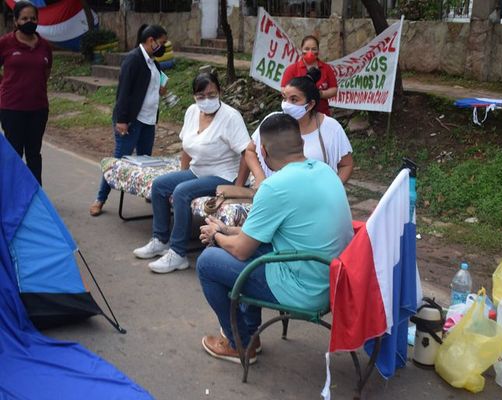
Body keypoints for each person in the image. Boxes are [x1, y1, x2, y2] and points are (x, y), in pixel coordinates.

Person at [196, 113, 353, 364]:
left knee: (208, 262)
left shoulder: (274, 187)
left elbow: (241, 251)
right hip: (330, 280)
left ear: (264, 153)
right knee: (245, 249)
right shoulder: (325, 171)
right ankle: (251, 334)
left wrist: (215, 236)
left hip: (305, 290)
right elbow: (260, 236)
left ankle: (239, 344)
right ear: (300, 143)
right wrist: (226, 231)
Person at [133, 72, 250, 274]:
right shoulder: (192, 112)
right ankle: (160, 240)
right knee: (161, 185)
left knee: (182, 192)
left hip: (223, 175)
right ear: (194, 96)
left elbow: (246, 152)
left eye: (212, 94)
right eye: (201, 96)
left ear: (220, 92)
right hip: (198, 170)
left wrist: (237, 187)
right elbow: (186, 147)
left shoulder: (231, 117)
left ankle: (178, 254)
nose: (207, 100)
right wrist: (182, 173)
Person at [89, 24, 168, 216]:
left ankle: (150, 194)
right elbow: (123, 93)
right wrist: (122, 120)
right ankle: (100, 198)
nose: (164, 47)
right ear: (151, 41)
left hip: (148, 120)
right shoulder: (133, 60)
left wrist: (161, 89)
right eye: (162, 43)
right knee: (118, 162)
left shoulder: (153, 63)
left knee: (145, 162)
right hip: (132, 121)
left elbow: (149, 87)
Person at [245, 67, 353, 187]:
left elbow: (346, 165)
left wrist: (332, 188)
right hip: (274, 194)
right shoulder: (273, 121)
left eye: (294, 100)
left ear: (310, 104)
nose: (286, 105)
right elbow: (250, 151)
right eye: (285, 98)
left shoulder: (331, 128)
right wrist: (260, 177)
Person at [0, 1, 52, 185]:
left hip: (38, 109)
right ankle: (11, 198)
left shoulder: (45, 46)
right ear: (16, 21)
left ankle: (36, 197)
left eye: (33, 18)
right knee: (13, 155)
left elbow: (45, 72)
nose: (29, 21)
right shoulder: (5, 43)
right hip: (11, 109)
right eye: (24, 18)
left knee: (34, 154)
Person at [281, 35, 337, 116]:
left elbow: (334, 89)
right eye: (307, 49)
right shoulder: (292, 69)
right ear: (301, 50)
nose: (310, 52)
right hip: (297, 115)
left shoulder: (326, 68)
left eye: (313, 49)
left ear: (318, 51)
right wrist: (300, 94)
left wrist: (319, 94)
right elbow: (283, 90)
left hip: (322, 113)